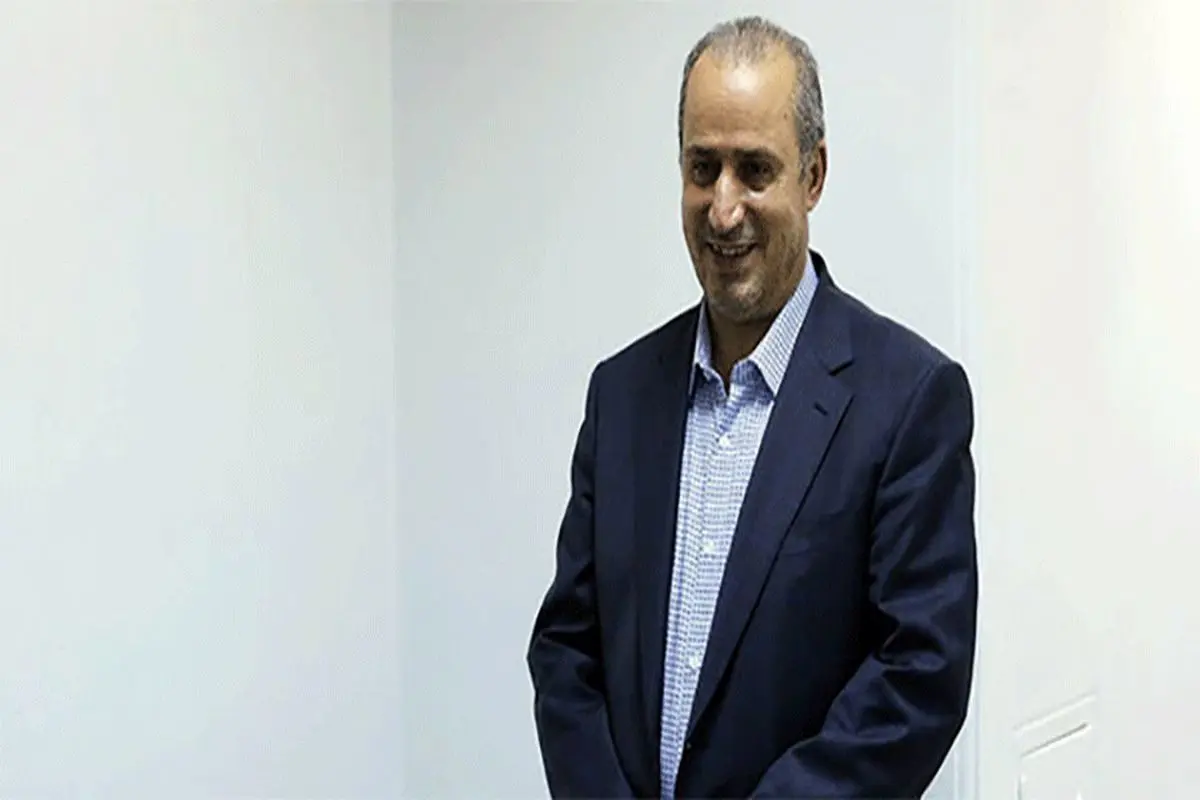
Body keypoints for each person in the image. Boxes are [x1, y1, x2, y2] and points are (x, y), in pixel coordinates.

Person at [526, 15, 977, 799]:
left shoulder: (909, 400)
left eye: (755, 170)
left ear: (813, 175)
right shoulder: (621, 396)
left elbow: (918, 677)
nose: (723, 208)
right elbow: (567, 649)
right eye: (703, 168)